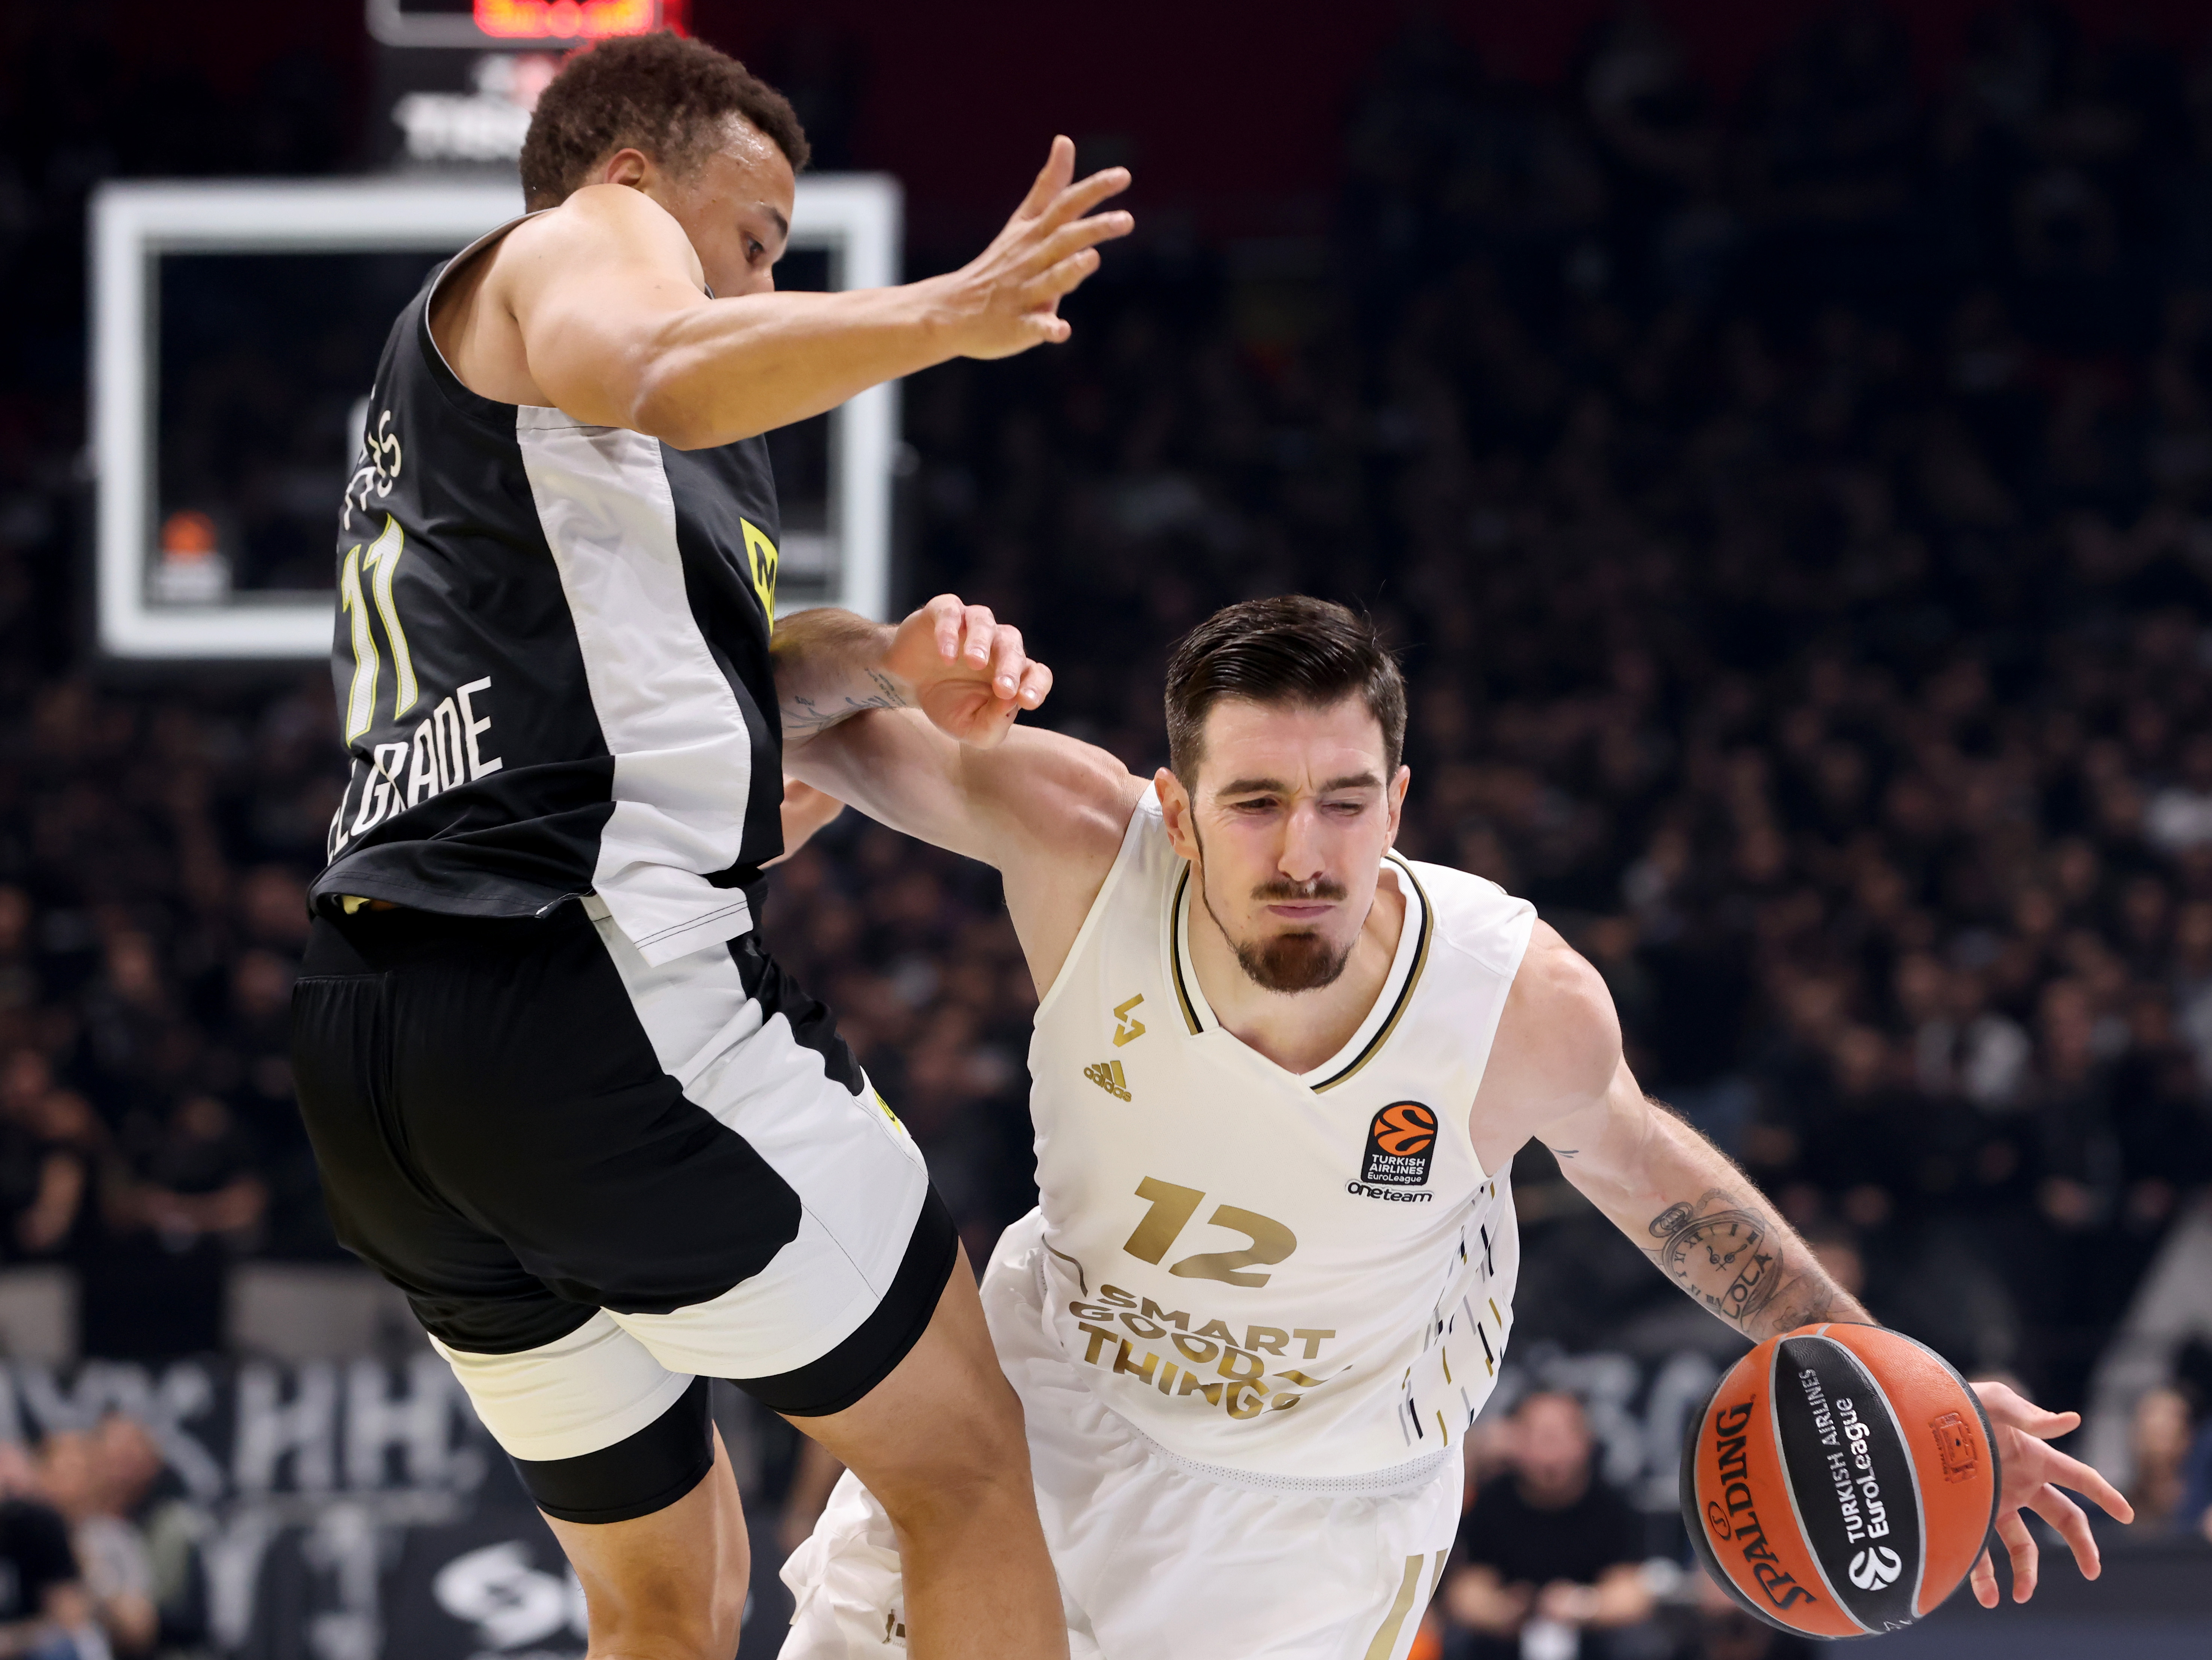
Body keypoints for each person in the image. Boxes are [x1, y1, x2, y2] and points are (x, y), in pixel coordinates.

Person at [778, 595, 2134, 1658]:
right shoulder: (1079, 842)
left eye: (1346, 801)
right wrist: (896, 658)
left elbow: (1658, 1180)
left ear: (1400, 805)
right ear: (1178, 813)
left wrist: (1896, 1374)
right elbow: (774, 696)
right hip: (1052, 1397)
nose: (1305, 854)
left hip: (1308, 1517)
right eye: (1254, 803)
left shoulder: (1513, 1002)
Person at [288, 28, 1123, 1660]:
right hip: (579, 994)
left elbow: (708, 679)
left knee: (665, 1604)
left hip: (379, 1053)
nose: (768, 275)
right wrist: (946, 315)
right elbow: (654, 360)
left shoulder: (529, 453)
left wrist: (880, 660)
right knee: (964, 1466)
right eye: (753, 235)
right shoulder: (578, 251)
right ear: (631, 177)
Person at [1444, 1391, 1651, 1660]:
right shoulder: (1491, 1501)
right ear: (1515, 1441)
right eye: (1539, 1437)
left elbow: (1634, 1593)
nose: (1550, 1454)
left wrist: (1582, 1605)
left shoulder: (1612, 1503)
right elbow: (1464, 1591)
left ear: (1586, 1440)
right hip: (1505, 1638)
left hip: (1591, 1637)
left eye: (1560, 1437)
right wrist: (1501, 1609)